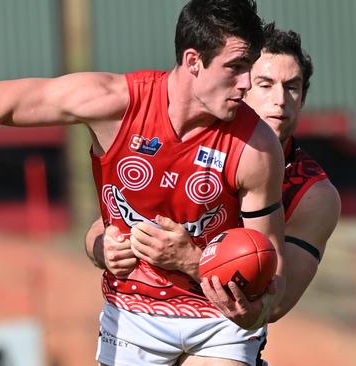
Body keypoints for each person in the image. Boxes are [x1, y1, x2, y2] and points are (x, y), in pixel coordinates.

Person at [0, 0, 286, 365]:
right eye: (235, 68)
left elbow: (270, 283)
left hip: (216, 322)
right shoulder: (117, 103)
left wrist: (192, 262)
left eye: (249, 69)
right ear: (193, 61)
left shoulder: (257, 147)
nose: (245, 84)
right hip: (132, 314)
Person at [85, 22, 341, 364]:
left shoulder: (314, 194)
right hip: (140, 318)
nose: (280, 100)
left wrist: (193, 262)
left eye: (292, 87)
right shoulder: (191, 138)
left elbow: (273, 304)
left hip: (222, 330)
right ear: (241, 84)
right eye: (265, 84)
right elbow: (105, 228)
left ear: (303, 98)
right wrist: (104, 248)